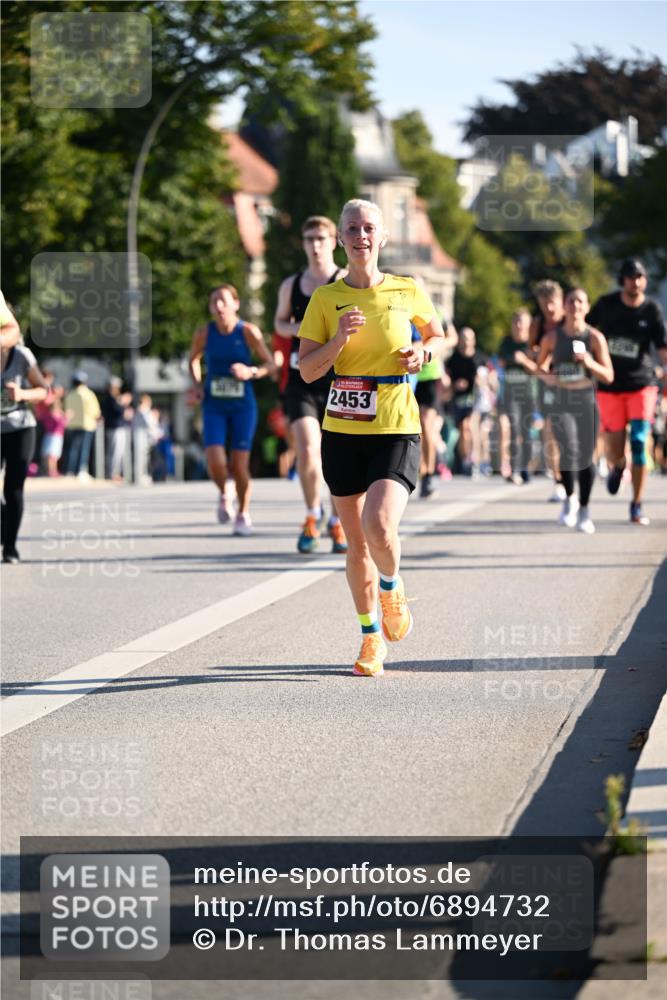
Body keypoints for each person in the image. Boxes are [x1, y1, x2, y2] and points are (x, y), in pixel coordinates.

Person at [298, 199, 446, 677]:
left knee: (380, 526)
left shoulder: (407, 289)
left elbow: (440, 335)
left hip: (397, 423)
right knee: (355, 543)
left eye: (369, 228)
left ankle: (391, 586)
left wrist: (422, 352)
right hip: (342, 428)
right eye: (352, 228)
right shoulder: (325, 299)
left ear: (381, 239)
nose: (361, 235)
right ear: (340, 239)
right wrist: (338, 339)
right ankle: (369, 638)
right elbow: (306, 370)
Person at [274, 215, 348, 554]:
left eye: (321, 238)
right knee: (306, 450)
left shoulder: (344, 279)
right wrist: (308, 328)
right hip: (302, 378)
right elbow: (279, 323)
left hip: (338, 379)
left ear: (334, 241)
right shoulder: (292, 285)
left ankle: (337, 521)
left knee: (336, 456)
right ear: (303, 244)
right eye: (309, 239)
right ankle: (310, 514)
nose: (315, 245)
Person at [189, 284, 276, 536]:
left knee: (239, 465)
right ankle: (224, 492)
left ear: (235, 304)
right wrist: (196, 385)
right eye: (214, 301)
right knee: (215, 461)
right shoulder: (204, 333)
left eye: (223, 301)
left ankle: (243, 513)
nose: (218, 306)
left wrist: (251, 371)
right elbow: (193, 359)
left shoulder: (247, 331)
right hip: (214, 404)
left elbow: (270, 364)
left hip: (242, 406)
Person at [588, 258, 667, 525]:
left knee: (640, 441)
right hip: (610, 385)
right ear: (623, 280)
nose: (637, 281)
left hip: (642, 384)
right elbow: (585, 332)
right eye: (632, 277)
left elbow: (663, 348)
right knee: (615, 447)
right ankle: (618, 466)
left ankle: (636, 504)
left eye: (641, 277)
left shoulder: (651, 310)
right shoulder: (606, 306)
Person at [535, 288, 613, 534]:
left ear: (587, 307)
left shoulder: (595, 338)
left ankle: (585, 510)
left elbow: (609, 375)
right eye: (571, 301)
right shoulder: (552, 338)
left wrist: (589, 362)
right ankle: (570, 498)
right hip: (562, 400)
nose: (575, 305)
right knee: (568, 450)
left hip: (586, 400)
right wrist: (552, 378)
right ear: (564, 306)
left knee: (586, 458)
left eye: (580, 301)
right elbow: (539, 368)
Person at [1, 328, 49, 562]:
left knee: (13, 489)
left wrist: (21, 394)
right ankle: (3, 524)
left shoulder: (21, 356)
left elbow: (43, 390)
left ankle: (10, 547)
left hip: (20, 428)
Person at [530, 280, 566, 501]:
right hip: (547, 382)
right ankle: (559, 481)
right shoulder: (538, 324)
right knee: (551, 431)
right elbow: (531, 350)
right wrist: (541, 353)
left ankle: (577, 472)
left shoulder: (569, 320)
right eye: (544, 305)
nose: (549, 310)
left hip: (573, 382)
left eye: (552, 304)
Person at [497, 309, 536, 484]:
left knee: (526, 433)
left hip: (528, 394)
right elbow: (501, 363)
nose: (519, 325)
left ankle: (526, 467)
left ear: (528, 325)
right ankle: (514, 469)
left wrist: (524, 361)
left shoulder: (532, 344)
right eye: (516, 322)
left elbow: (538, 369)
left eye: (522, 322)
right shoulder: (506, 343)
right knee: (514, 429)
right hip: (511, 394)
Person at [445, 327, 481, 475]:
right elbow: (447, 380)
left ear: (474, 341)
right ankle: (465, 460)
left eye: (469, 338)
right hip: (458, 400)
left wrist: (482, 381)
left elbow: (489, 379)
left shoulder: (479, 358)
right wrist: (454, 385)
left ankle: (475, 461)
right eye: (464, 338)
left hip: (476, 399)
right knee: (463, 429)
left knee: (470, 426)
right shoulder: (453, 359)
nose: (467, 342)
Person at [64, 371, 101, 478]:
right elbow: (95, 411)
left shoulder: (70, 394)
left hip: (72, 424)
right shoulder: (88, 394)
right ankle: (81, 470)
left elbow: (66, 409)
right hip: (87, 424)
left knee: (73, 448)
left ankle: (70, 471)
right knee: (84, 449)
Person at [101, 375, 132, 481]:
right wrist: (123, 403)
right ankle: (113, 473)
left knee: (118, 452)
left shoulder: (112, 398)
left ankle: (116, 472)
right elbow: (118, 411)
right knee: (115, 452)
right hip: (114, 428)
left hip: (117, 427)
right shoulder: (110, 398)